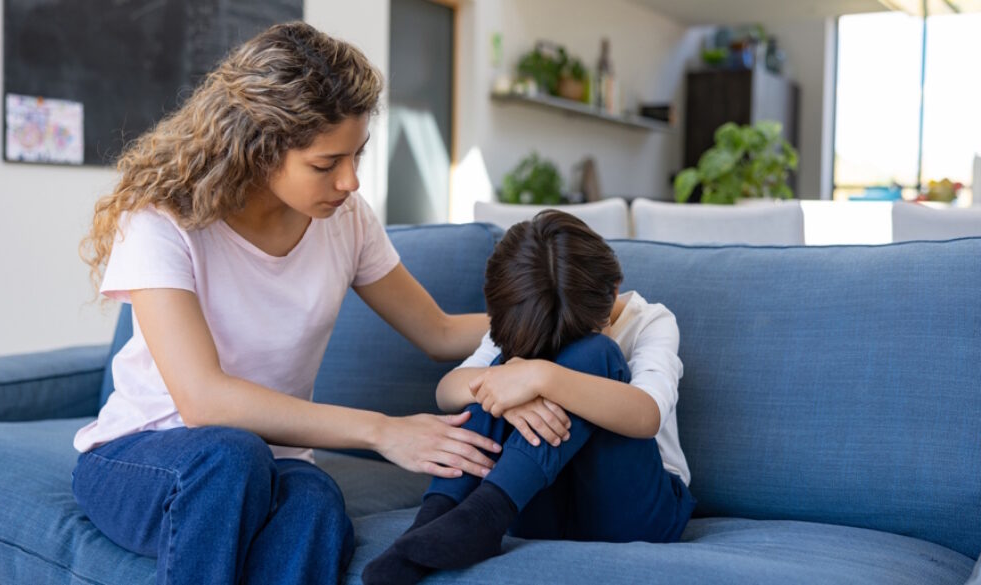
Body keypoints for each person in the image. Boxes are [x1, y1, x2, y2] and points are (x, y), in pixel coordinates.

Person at [71, 21, 505, 585]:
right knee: (230, 457)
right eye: (326, 164)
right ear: (256, 147)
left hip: (272, 461)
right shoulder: (161, 220)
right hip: (144, 459)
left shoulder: (347, 220)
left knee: (315, 501)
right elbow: (202, 401)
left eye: (357, 155)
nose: (350, 181)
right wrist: (383, 430)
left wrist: (572, 319)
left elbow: (440, 332)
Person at [364, 210, 698, 584]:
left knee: (596, 354)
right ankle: (437, 518)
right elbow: (448, 389)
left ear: (615, 289)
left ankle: (488, 513)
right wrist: (509, 379)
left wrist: (540, 375)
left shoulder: (650, 321)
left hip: (635, 513)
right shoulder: (524, 315)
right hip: (541, 501)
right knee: (492, 375)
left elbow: (647, 414)